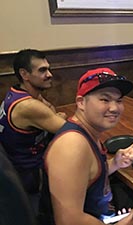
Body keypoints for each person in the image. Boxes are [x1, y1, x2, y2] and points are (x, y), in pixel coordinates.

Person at [43, 67, 133, 225]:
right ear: (81, 102)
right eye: (105, 100)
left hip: (103, 210)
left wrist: (115, 163)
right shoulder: (72, 145)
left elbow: (89, 175)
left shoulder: (88, 132)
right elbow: (68, 221)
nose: (114, 108)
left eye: (119, 100)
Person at [0, 49, 66, 213]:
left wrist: (56, 115)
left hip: (15, 170)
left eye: (48, 69)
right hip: (29, 177)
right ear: (25, 74)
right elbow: (68, 130)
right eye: (42, 70)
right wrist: (59, 116)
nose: (49, 74)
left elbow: (51, 112)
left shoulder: (17, 92)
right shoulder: (28, 106)